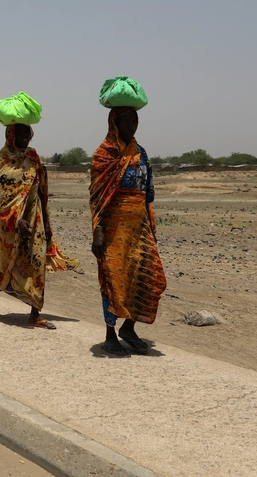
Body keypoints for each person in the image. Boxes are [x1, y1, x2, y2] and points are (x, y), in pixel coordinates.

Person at [0, 124, 78, 328]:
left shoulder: (33, 156)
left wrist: (42, 215)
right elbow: (4, 193)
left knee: (37, 261)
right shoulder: (6, 158)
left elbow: (40, 185)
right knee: (10, 262)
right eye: (21, 132)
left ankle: (35, 313)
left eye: (28, 132)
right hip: (11, 223)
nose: (26, 136)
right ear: (11, 135)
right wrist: (17, 219)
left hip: (35, 218)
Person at [90, 106, 167, 356]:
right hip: (112, 228)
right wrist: (98, 228)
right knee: (113, 280)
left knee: (148, 275)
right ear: (114, 122)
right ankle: (110, 334)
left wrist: (149, 224)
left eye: (135, 119)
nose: (132, 124)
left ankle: (129, 327)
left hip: (139, 227)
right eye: (126, 120)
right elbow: (97, 196)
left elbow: (148, 193)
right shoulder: (104, 154)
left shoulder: (141, 153)